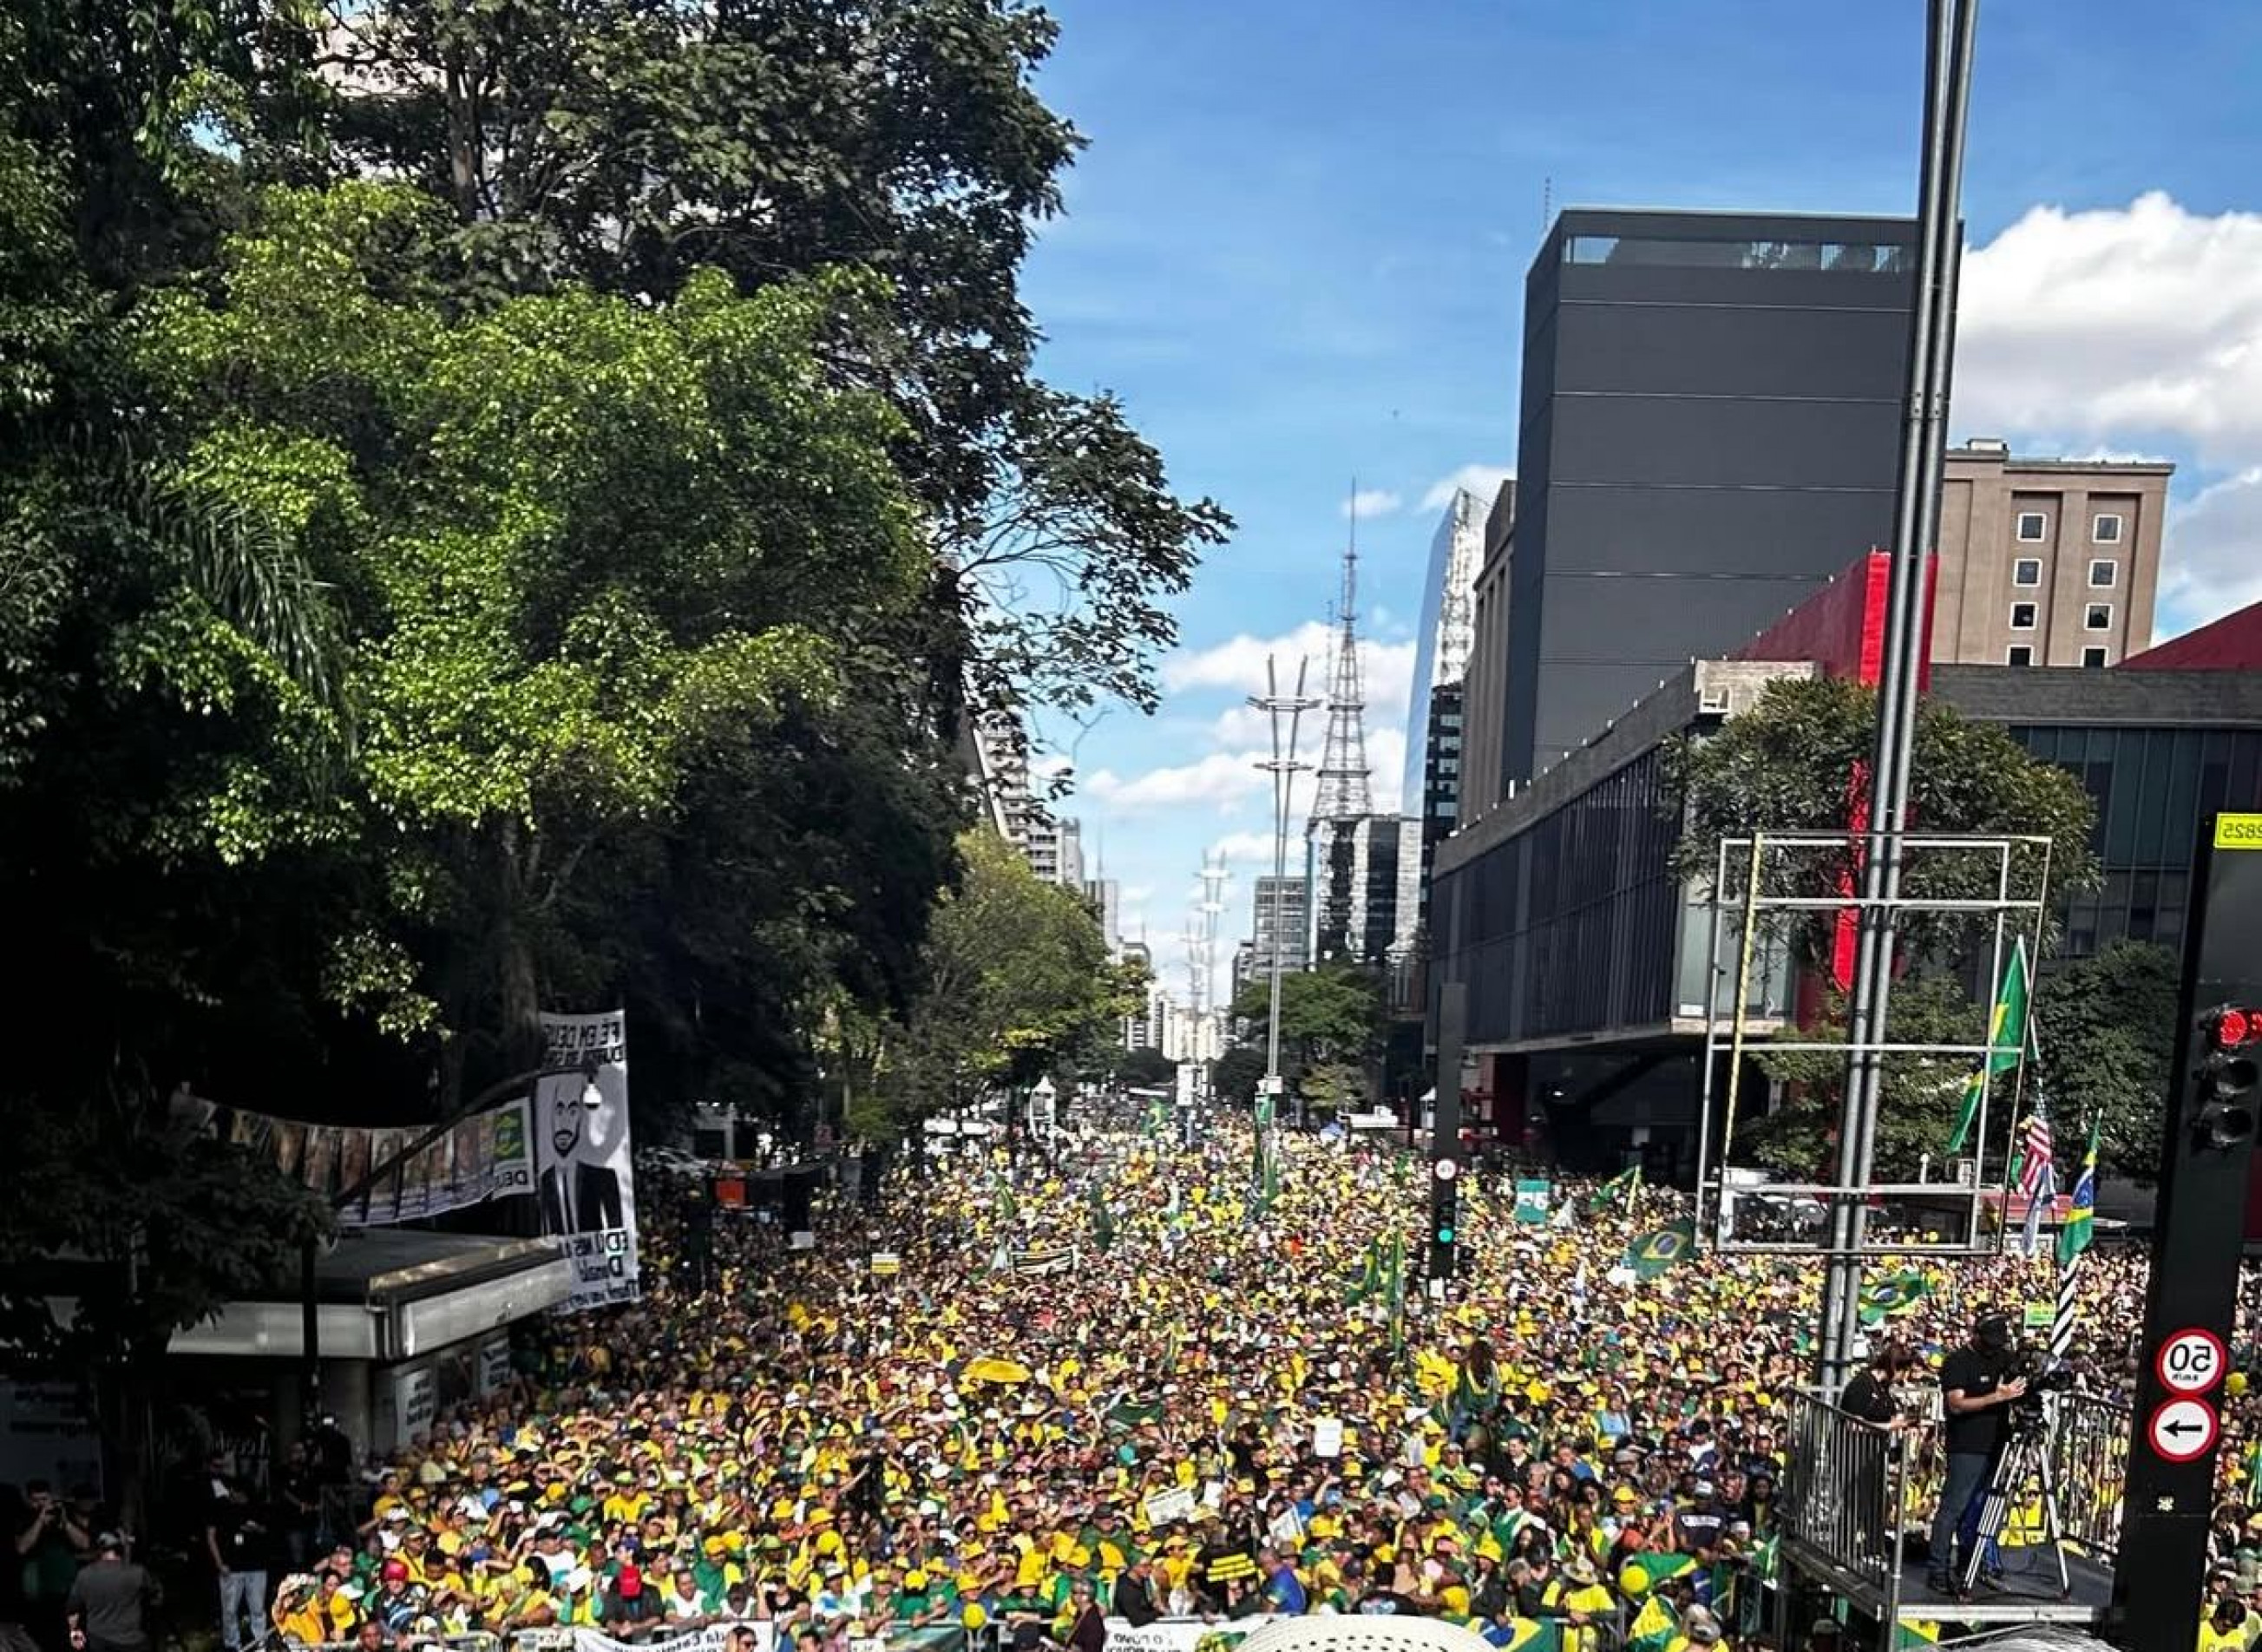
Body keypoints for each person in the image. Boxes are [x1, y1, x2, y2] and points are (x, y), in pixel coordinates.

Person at [1927, 1313, 2027, 1596]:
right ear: (1977, 1336)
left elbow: (2020, 1381)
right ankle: (1938, 1569)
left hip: (1997, 1443)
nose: (1994, 1348)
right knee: (1954, 1507)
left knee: (1983, 1509)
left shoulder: (2003, 1358)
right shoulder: (1958, 1362)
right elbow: (1956, 1404)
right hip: (1967, 1445)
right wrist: (1997, 1397)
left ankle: (1971, 1565)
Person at [207, 1455, 272, 1652]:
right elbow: (211, 1536)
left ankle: (260, 1644)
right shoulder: (220, 1507)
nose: (241, 1499)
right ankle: (232, 1646)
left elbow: (268, 1531)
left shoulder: (257, 1506)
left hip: (256, 1566)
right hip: (231, 1567)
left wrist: (257, 1529)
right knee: (229, 1611)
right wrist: (219, 1563)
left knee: (257, 1609)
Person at [64, 1534, 161, 1652]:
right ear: (121, 1549)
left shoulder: (84, 1575)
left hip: (98, 1641)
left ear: (98, 1551)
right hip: (132, 1641)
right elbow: (155, 1595)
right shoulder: (137, 1572)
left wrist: (74, 1632)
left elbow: (72, 1609)